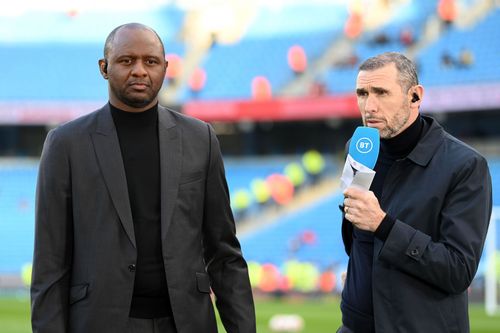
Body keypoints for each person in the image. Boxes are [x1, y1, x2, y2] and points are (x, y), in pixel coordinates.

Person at [31, 23, 256, 333]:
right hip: (100, 323)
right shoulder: (66, 144)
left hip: (186, 323)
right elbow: (50, 265)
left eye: (150, 61)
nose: (139, 70)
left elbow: (224, 253)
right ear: (104, 68)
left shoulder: (200, 139)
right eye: (126, 61)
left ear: (165, 68)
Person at [338, 52, 492, 332]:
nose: (369, 106)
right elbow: (357, 231)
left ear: (415, 97)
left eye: (381, 92)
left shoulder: (465, 166)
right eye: (362, 93)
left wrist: (384, 225)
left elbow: (458, 271)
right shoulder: (358, 148)